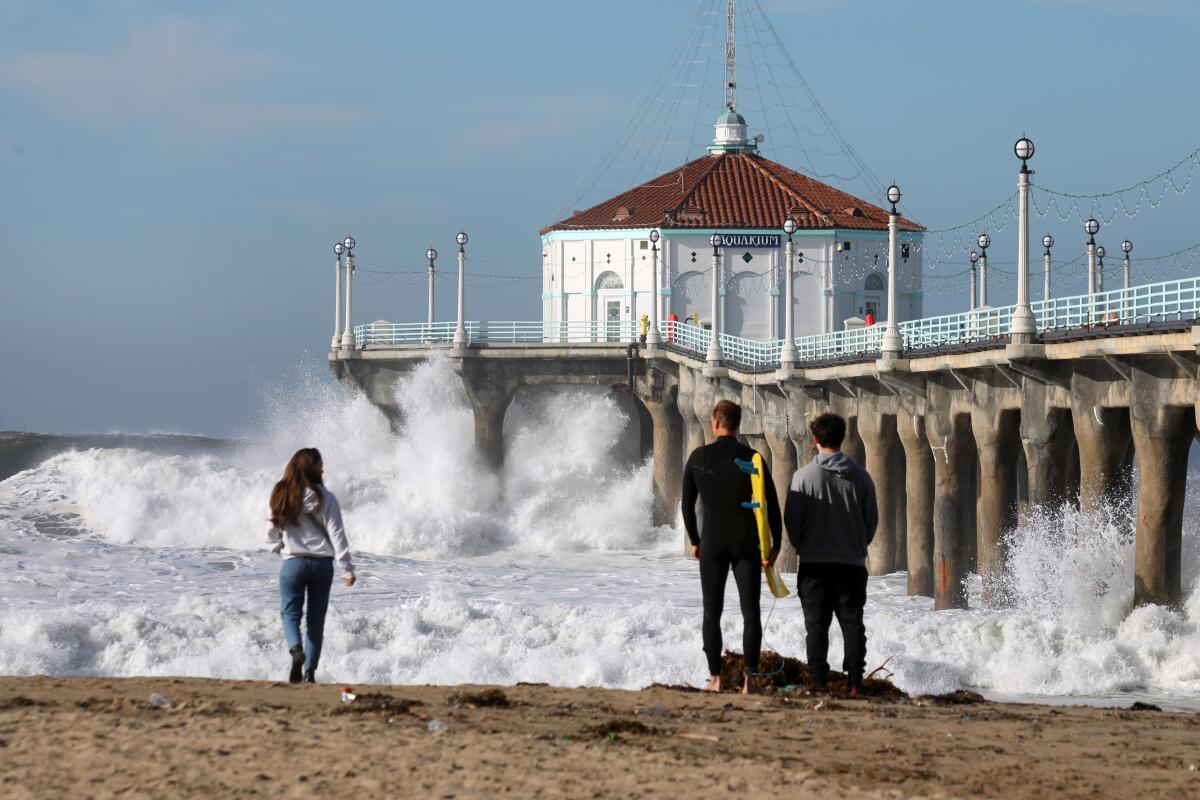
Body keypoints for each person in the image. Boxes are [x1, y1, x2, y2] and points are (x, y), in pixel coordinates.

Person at [681, 400, 782, 694]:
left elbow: (687, 504)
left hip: (712, 542)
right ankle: (750, 680)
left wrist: (695, 540)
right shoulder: (753, 458)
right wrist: (775, 545)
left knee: (712, 611)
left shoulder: (699, 457)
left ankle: (715, 678)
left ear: (715, 422)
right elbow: (771, 504)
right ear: (738, 424)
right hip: (745, 543)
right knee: (751, 611)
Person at [784, 413, 877, 696]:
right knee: (852, 624)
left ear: (815, 439)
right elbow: (871, 521)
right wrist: (859, 544)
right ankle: (854, 684)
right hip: (851, 564)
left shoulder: (802, 477)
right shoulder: (861, 477)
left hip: (814, 565)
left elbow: (792, 522)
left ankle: (818, 681)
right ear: (842, 437)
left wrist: (802, 546)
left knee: (816, 626)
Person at [267, 448, 356, 684]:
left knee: (290, 613)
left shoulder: (282, 493)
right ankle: (309, 673)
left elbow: (273, 533)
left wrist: (280, 545)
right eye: (320, 465)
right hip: (321, 565)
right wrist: (346, 569)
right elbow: (337, 535)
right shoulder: (327, 498)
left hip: (293, 564)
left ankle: (296, 650)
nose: (323, 469)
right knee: (316, 621)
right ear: (313, 469)